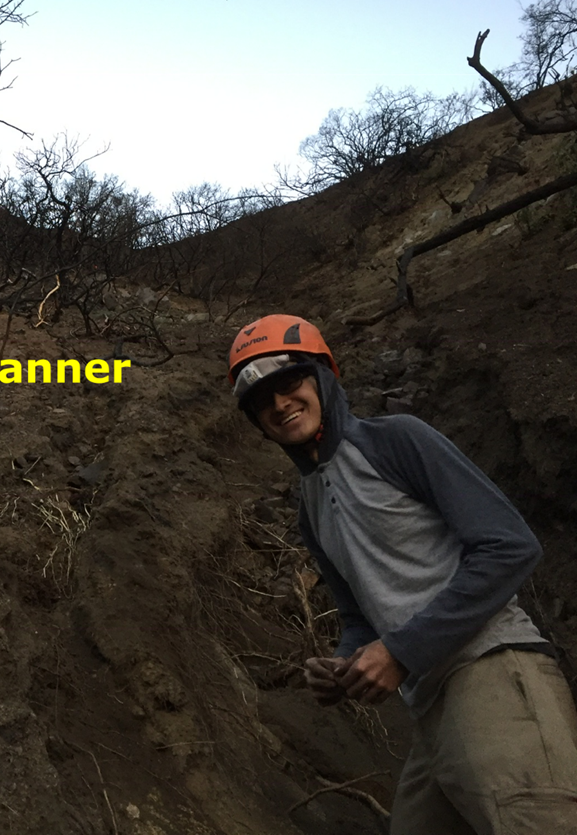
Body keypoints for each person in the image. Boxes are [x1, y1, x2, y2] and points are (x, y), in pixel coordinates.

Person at [227, 313, 577, 834]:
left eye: (290, 382)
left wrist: (400, 652)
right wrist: (343, 664)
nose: (279, 404)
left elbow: (509, 546)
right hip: (429, 708)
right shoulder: (310, 506)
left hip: (494, 672)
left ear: (322, 377)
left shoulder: (396, 441)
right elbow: (359, 616)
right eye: (261, 399)